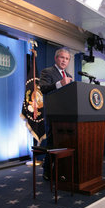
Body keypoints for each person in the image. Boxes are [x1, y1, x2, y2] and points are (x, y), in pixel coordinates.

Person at [39, 47, 73, 179]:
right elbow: (43, 88)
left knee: (64, 143)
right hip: (53, 114)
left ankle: (60, 170)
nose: (64, 61)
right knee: (53, 143)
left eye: (67, 59)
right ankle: (47, 171)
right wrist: (59, 83)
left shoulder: (69, 76)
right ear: (56, 58)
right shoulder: (48, 72)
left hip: (67, 115)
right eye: (62, 58)